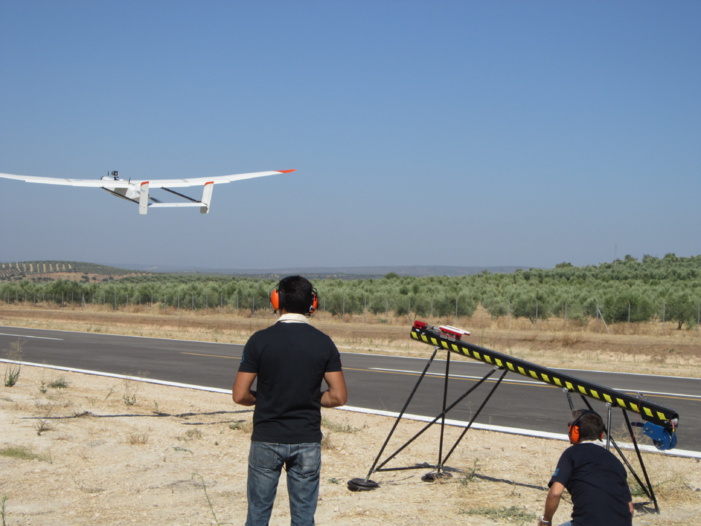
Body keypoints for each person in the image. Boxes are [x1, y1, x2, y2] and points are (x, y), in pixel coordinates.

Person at [232, 275, 348, 526]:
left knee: (258, 513)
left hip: (266, 437)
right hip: (306, 439)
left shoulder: (259, 340)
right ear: (312, 304)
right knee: (304, 515)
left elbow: (240, 395)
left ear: (277, 299)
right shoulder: (323, 342)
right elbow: (338, 396)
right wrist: (310, 397)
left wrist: (264, 398)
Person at [538, 409, 634, 526]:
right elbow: (630, 508)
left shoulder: (572, 454)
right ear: (601, 435)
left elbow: (555, 493)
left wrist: (546, 520)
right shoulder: (615, 461)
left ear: (574, 431)